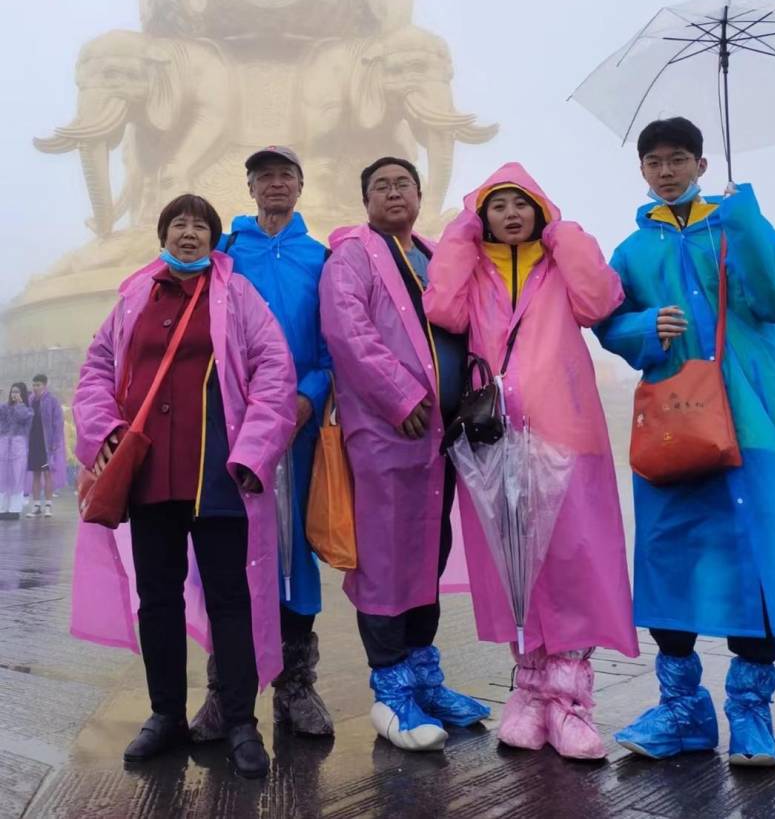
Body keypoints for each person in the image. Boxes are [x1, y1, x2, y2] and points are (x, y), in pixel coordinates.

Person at [596, 117, 775, 768]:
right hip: (674, 425)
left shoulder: (738, 226)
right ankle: (682, 710)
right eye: (653, 161)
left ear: (702, 164)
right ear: (642, 171)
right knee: (668, 554)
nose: (666, 170)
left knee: (756, 556)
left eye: (678, 158)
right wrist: (643, 327)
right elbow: (608, 319)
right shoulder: (631, 249)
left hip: (756, 417)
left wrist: (747, 216)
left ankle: (751, 713)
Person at [71, 194, 296, 780]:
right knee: (159, 600)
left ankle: (241, 720)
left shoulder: (238, 295)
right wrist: (107, 430)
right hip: (149, 477)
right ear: (164, 234)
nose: (189, 233)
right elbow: (95, 370)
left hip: (220, 475)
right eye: (178, 224)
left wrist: (255, 450)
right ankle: (165, 714)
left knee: (230, 598)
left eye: (200, 225)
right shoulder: (134, 298)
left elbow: (275, 371)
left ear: (214, 237)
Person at [422, 163, 637, 760]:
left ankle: (568, 704)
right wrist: (461, 240)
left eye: (522, 203)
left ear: (540, 209)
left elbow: (598, 301)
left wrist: (565, 235)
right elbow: (443, 311)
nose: (510, 214)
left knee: (570, 560)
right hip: (495, 438)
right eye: (497, 206)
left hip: (563, 432)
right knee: (513, 561)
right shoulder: (475, 271)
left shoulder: (558, 264)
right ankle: (529, 693)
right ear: (481, 216)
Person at [319, 156, 490, 752]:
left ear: (420, 195)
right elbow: (348, 331)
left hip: (439, 440)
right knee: (386, 560)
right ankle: (391, 689)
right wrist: (400, 396)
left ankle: (423, 677)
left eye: (403, 184)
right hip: (387, 434)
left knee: (428, 555)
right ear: (366, 200)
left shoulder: (436, 254)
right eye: (381, 186)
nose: (393, 193)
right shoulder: (352, 256)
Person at [190, 145, 334, 741]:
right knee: (229, 554)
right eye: (264, 176)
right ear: (249, 188)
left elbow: (333, 344)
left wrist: (309, 396)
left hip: (297, 430)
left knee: (293, 552)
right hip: (232, 428)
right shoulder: (226, 254)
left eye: (286, 176)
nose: (275, 185)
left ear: (301, 186)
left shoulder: (321, 258)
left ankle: (295, 687)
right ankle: (226, 690)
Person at [26, 373, 66, 516]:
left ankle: (48, 505)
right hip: (33, 442)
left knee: (47, 473)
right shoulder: (30, 400)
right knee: (36, 474)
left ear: (45, 385)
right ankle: (36, 505)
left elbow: (58, 423)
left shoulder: (52, 401)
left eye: (38, 385)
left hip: (46, 444)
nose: (35, 387)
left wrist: (55, 442)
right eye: (34, 385)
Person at [0, 383, 33, 519]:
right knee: (2, 477)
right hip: (3, 444)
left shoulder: (28, 411)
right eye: (13, 392)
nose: (14, 394)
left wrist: (20, 404)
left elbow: (22, 417)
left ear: (23, 394)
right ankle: (2, 508)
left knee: (17, 476)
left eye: (17, 392)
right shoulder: (3, 408)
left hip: (18, 445)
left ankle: (14, 509)